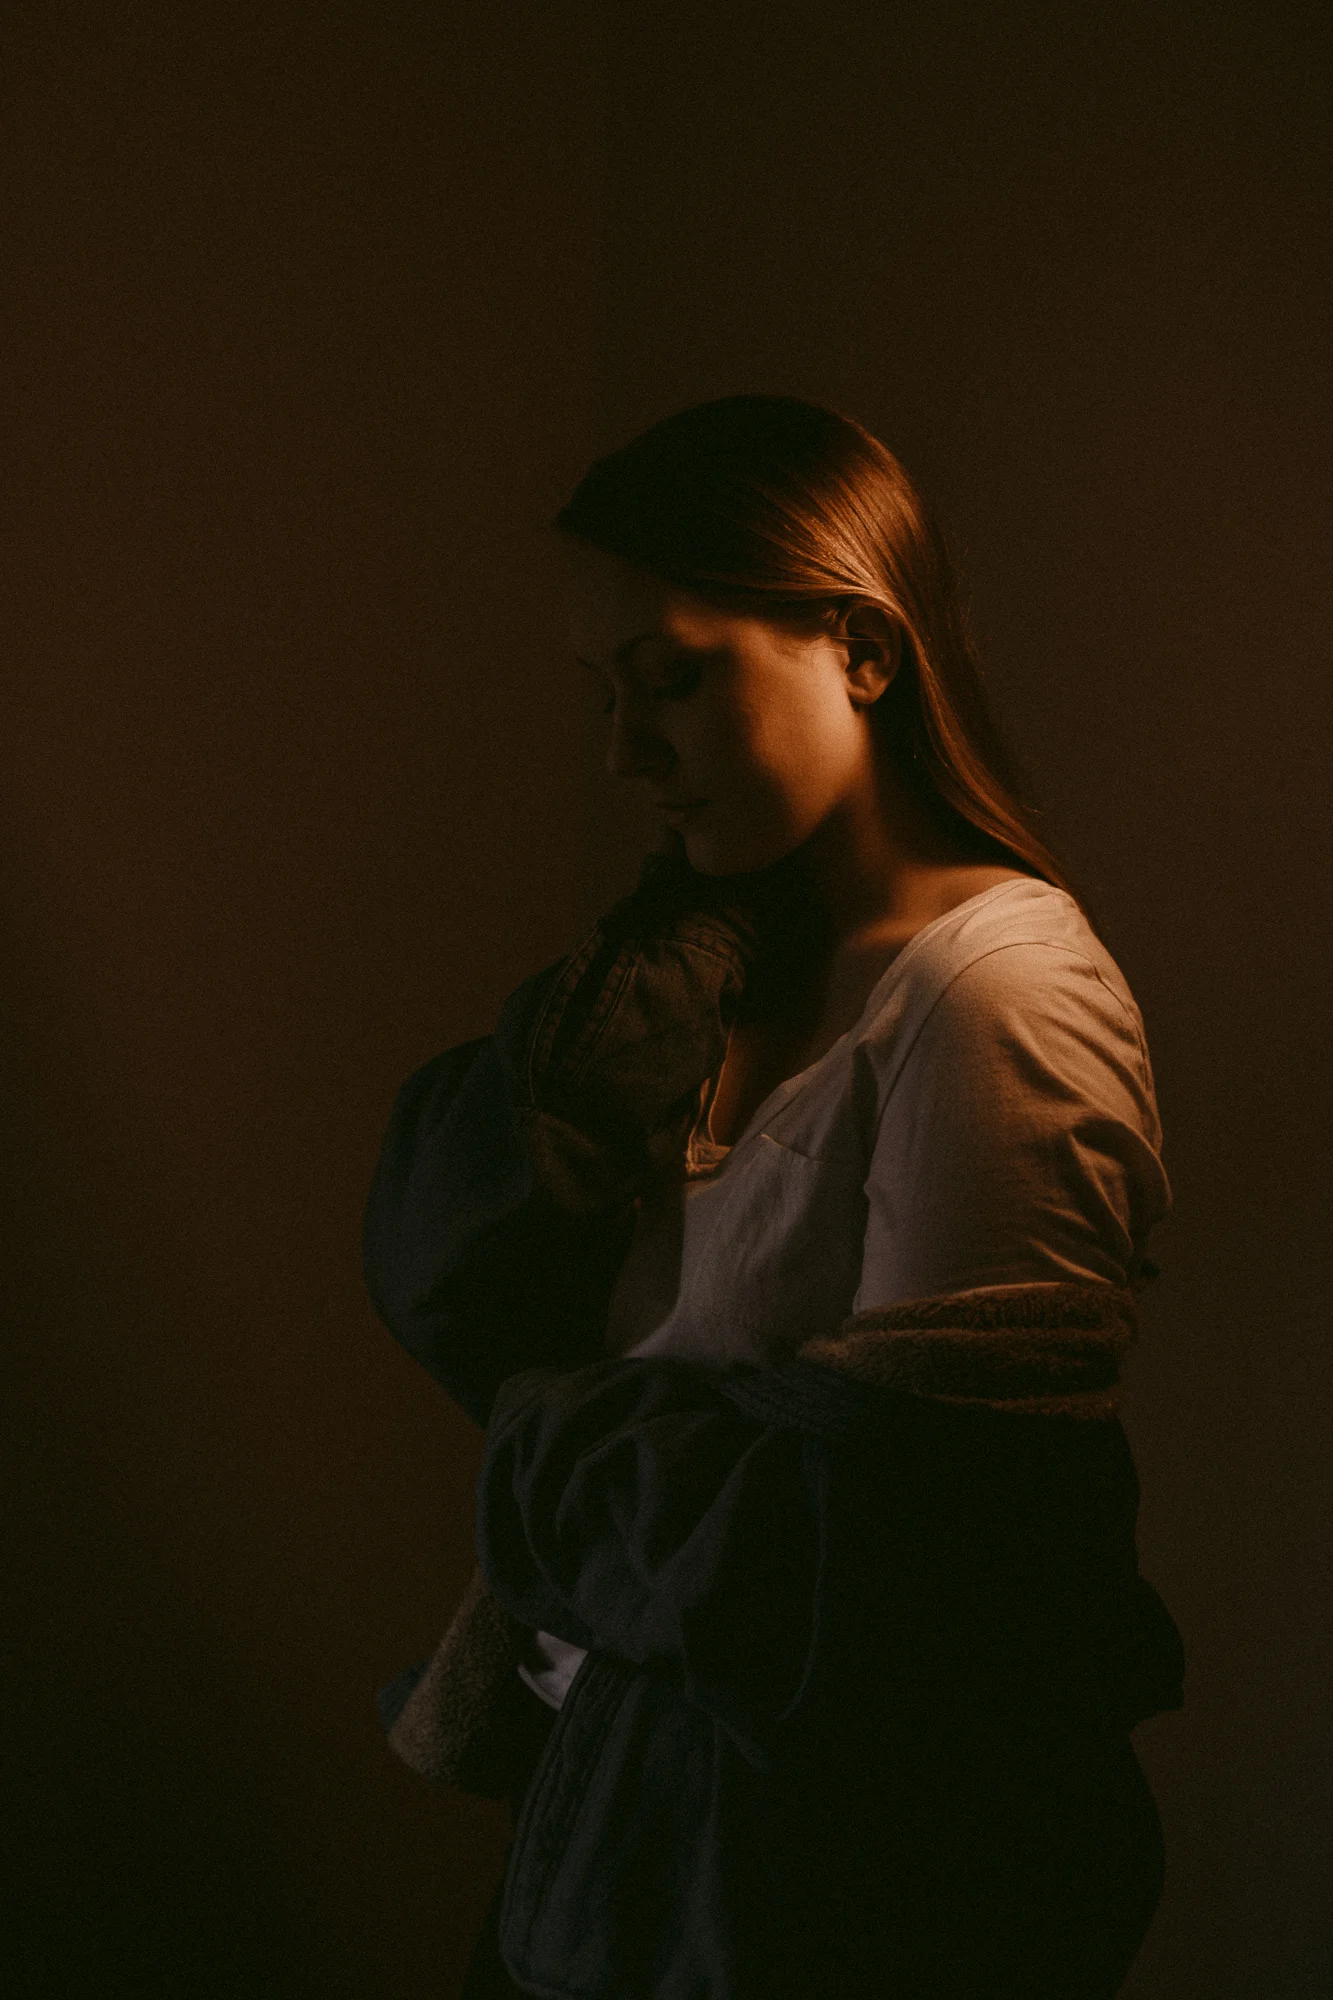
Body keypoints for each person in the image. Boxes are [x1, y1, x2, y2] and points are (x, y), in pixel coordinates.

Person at [363, 394, 1184, 1999]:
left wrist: (547, 1450)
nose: (624, 753)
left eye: (671, 678)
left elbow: (908, 1581)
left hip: (819, 1892)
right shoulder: (707, 969)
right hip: (610, 1836)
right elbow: (440, 1266)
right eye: (602, 694)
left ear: (860, 649)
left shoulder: (1000, 999)